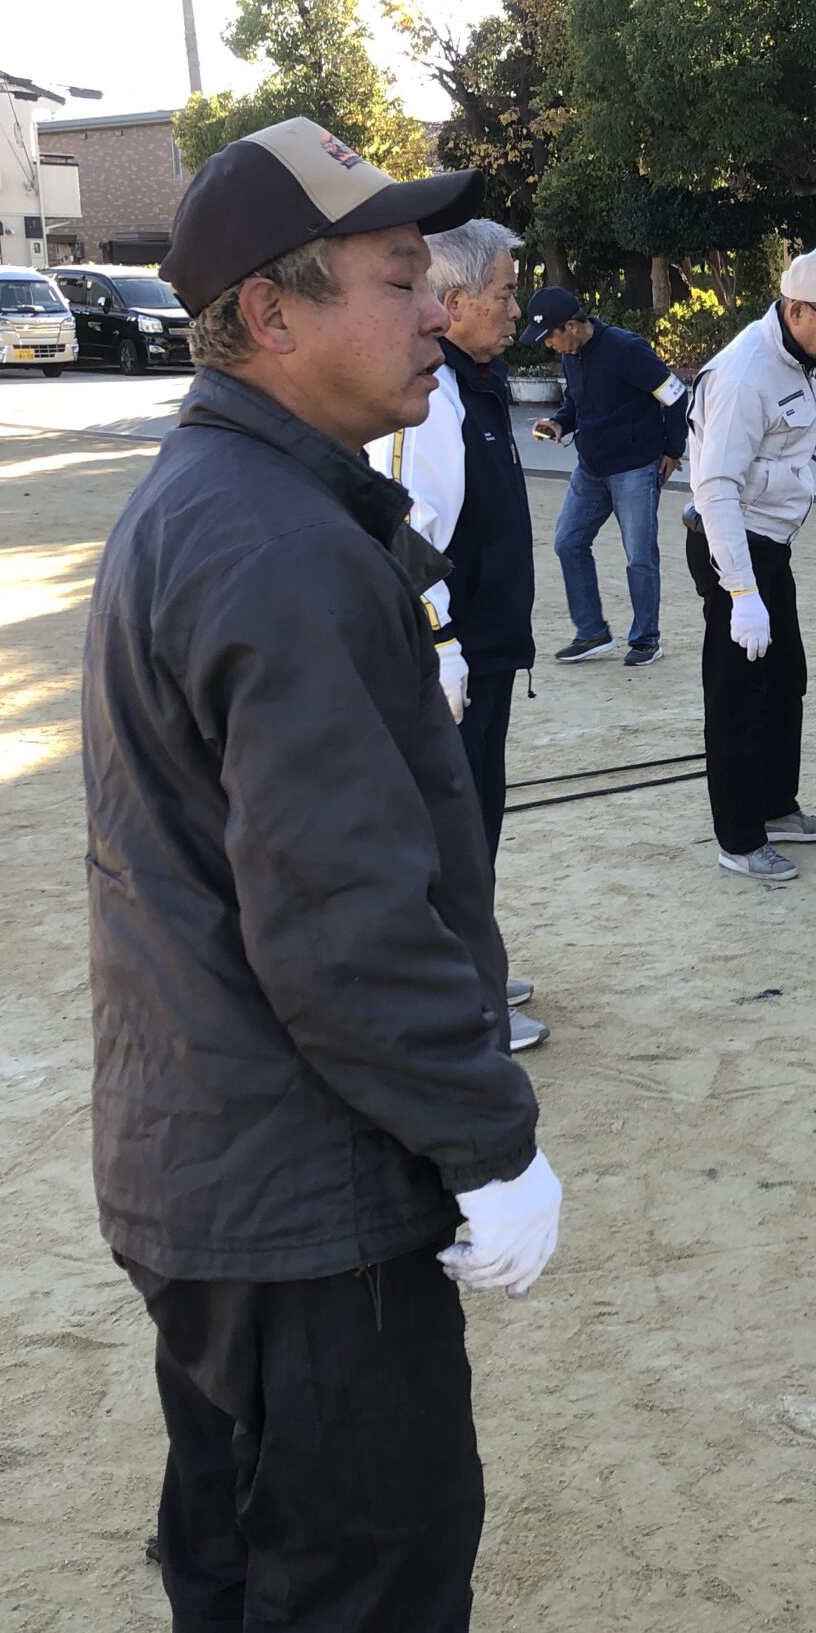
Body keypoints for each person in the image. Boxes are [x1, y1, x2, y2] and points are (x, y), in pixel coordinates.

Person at [87, 116, 561, 1633]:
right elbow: (342, 923)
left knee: (240, 1566)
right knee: (364, 1589)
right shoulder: (276, 543)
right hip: (305, 1202)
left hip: (215, 1167)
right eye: (399, 277)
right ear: (271, 316)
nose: (436, 310)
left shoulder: (224, 501)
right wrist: (488, 1143)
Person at [368, 219, 546, 1051]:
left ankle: (477, 967)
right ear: (458, 299)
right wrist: (440, 646)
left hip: (489, 647)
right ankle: (464, 1001)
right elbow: (410, 528)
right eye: (504, 294)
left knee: (480, 823)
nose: (516, 309)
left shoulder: (478, 382)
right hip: (457, 655)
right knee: (456, 833)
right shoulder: (432, 394)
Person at [684, 245, 816, 880]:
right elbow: (715, 489)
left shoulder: (793, 358)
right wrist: (741, 592)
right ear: (797, 310)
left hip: (771, 545)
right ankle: (739, 839)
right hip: (734, 547)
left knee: (785, 680)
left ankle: (774, 807)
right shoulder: (745, 373)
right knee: (738, 696)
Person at [525, 286, 688, 668]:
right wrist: (559, 423)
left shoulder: (626, 349)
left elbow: (676, 395)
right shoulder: (571, 355)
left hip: (635, 468)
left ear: (571, 326)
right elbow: (575, 403)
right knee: (568, 542)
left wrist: (672, 450)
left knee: (639, 557)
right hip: (590, 468)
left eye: (550, 336)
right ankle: (592, 632)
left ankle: (646, 640)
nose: (548, 344)